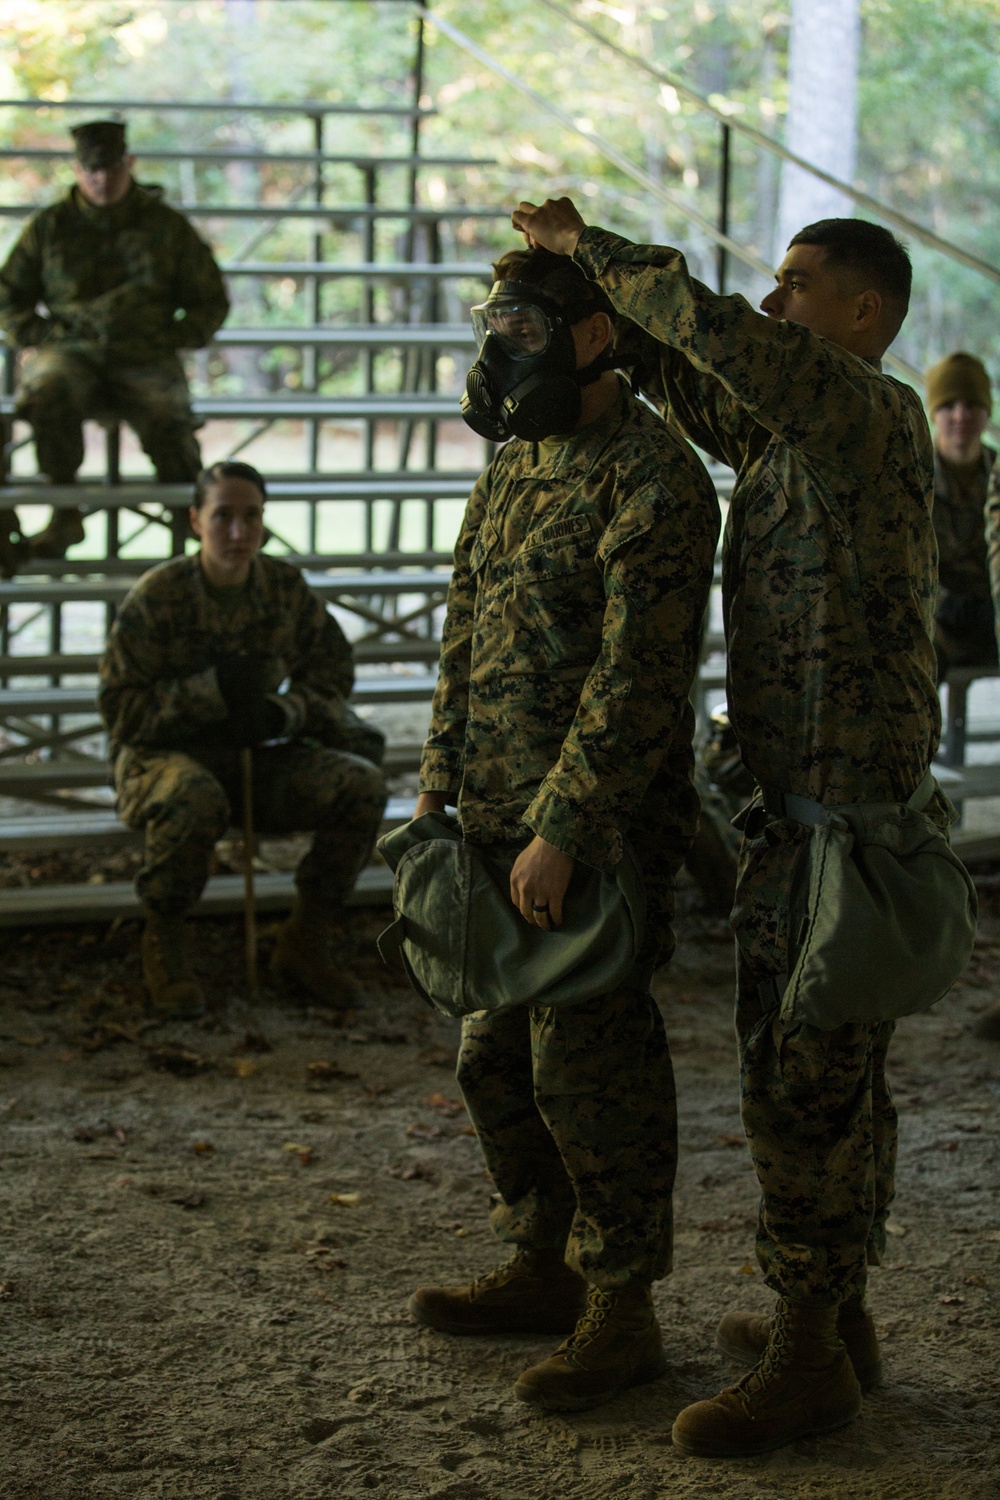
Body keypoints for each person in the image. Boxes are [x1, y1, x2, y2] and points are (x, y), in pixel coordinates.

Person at [511, 197, 942, 1456]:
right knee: (829, 1080)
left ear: (863, 313)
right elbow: (692, 367)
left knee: (802, 1092)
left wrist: (591, 248)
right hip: (800, 824)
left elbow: (709, 331)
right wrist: (602, 333)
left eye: (798, 284)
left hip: (841, 836)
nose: (774, 300)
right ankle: (837, 1318)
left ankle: (809, 1355)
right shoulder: (793, 442)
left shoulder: (867, 413)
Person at [407, 246, 720, 1413]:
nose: (501, 350)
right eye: (497, 326)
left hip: (590, 834)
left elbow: (640, 678)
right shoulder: (516, 462)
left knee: (591, 1071)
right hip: (489, 818)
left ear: (596, 336)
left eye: (525, 329)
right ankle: (542, 1264)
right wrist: (438, 777)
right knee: (491, 1058)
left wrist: (569, 827)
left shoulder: (656, 478)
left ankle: (621, 1307)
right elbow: (463, 620)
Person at [98, 460, 387, 1017]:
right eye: (222, 516)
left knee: (362, 786)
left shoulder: (283, 589)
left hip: (255, 758)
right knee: (192, 795)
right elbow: (121, 713)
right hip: (163, 760)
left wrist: (283, 714)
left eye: (251, 517)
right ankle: (165, 942)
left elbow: (332, 675)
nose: (238, 532)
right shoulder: (158, 598)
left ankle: (304, 941)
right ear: (194, 521)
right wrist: (209, 692)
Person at [0, 119, 229, 572]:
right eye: (91, 171)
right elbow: (9, 297)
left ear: (130, 164)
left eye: (110, 170)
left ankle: (190, 522)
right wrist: (42, 337)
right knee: (47, 391)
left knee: (169, 412)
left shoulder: (165, 226)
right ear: (77, 171)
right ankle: (65, 511)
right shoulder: (51, 227)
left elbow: (209, 300)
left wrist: (168, 338)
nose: (102, 180)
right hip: (72, 351)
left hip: (144, 353)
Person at [924, 352, 996, 681]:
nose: (960, 415)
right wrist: (941, 602)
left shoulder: (996, 471)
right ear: (933, 413)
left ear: (987, 412)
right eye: (948, 405)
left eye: (972, 404)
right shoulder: (912, 473)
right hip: (936, 623)